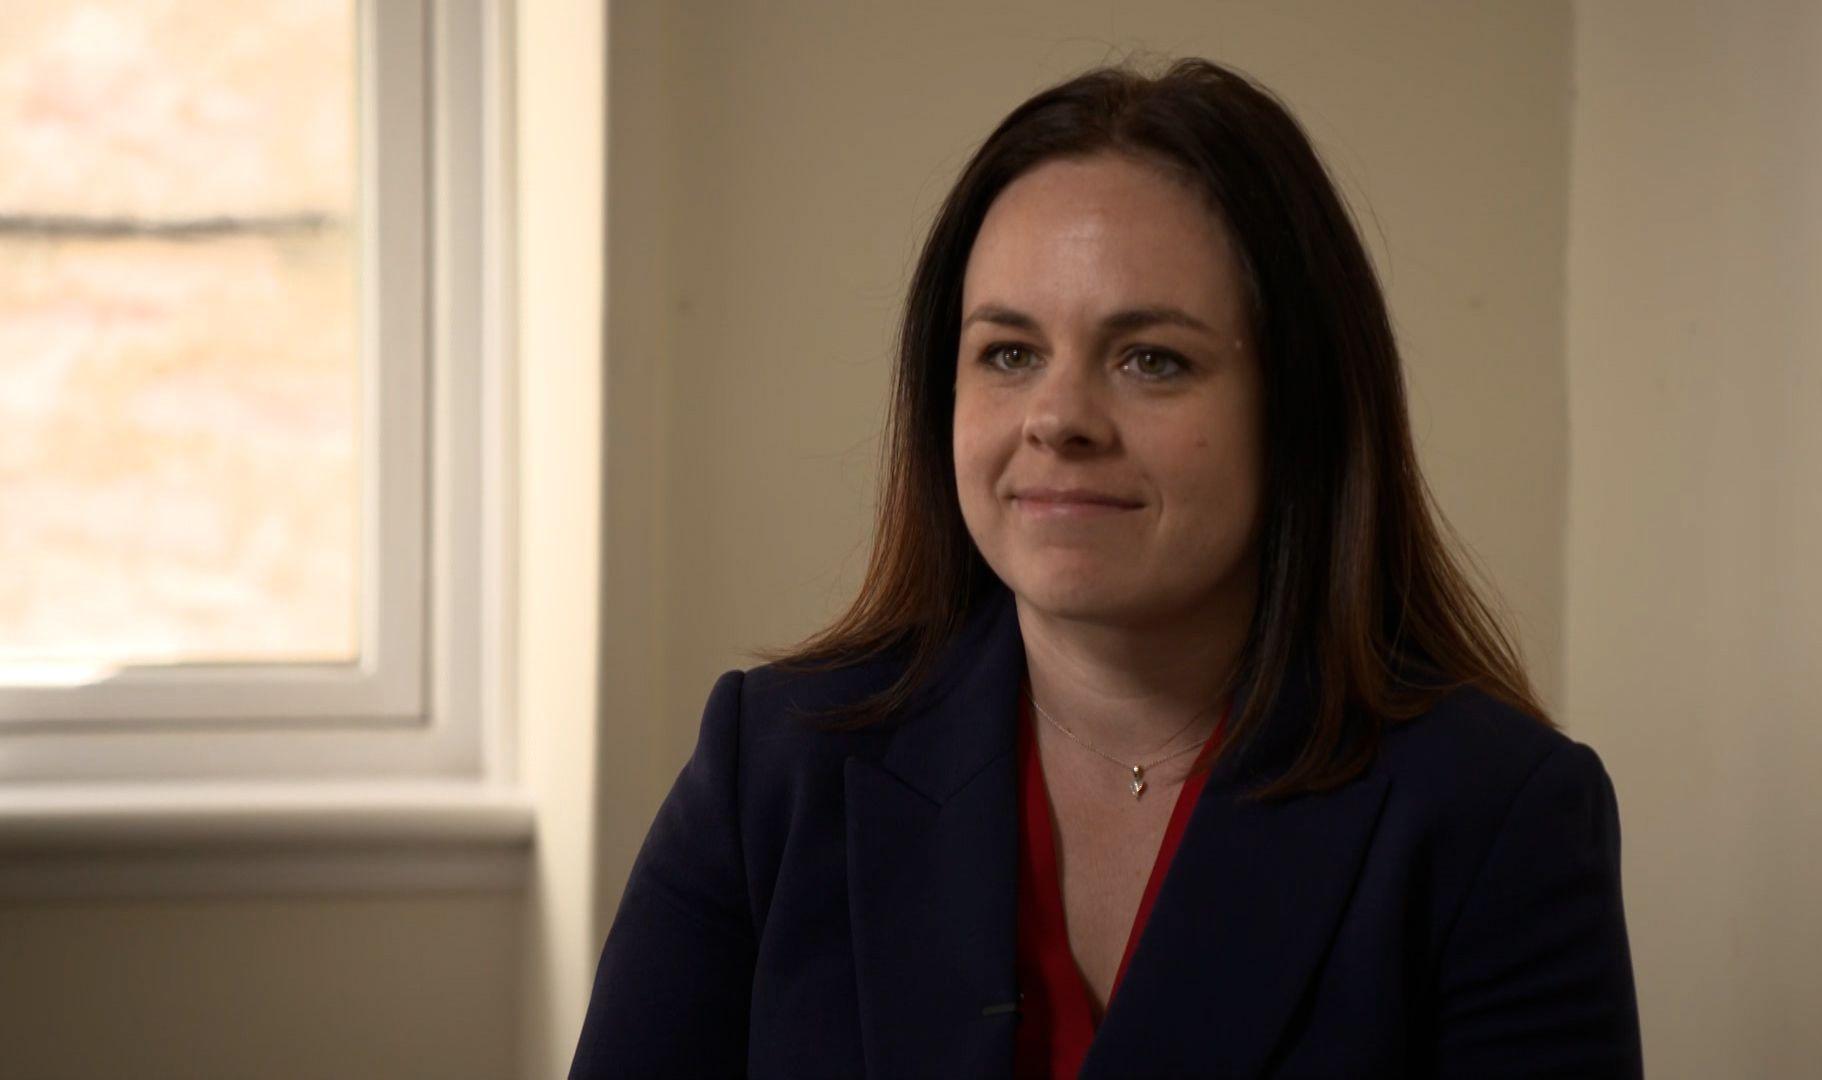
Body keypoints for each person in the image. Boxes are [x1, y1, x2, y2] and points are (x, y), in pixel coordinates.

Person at [571, 57, 1641, 1079]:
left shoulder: (1497, 818)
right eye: (1009, 352)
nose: (1059, 418)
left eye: (1151, 359)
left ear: (1299, 411)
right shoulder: (771, 772)